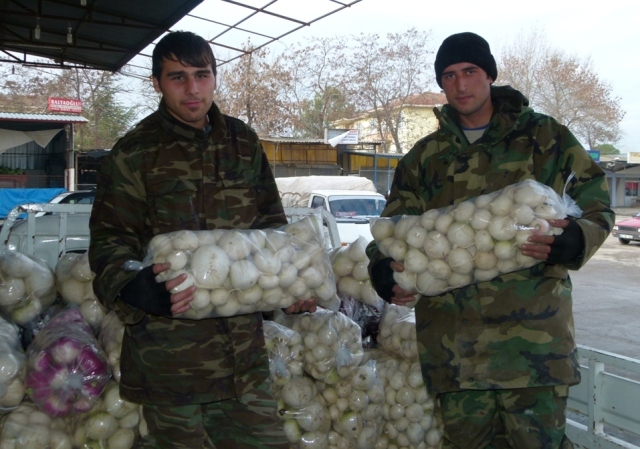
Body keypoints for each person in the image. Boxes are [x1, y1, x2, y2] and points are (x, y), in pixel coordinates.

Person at [367, 32, 614, 449]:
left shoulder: (544, 139)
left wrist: (577, 240)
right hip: (455, 351)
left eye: (470, 71)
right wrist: (380, 267)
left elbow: (596, 205)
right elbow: (394, 227)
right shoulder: (425, 158)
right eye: (448, 75)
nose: (460, 85)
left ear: (490, 74)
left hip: (532, 349)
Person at [88, 31, 315, 449]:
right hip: (172, 362)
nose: (193, 89)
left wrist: (292, 284)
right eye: (177, 77)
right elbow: (109, 243)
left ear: (214, 77)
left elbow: (273, 229)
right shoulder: (135, 153)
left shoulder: (243, 143)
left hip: (243, 359)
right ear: (156, 83)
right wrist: (133, 285)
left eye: (202, 75)